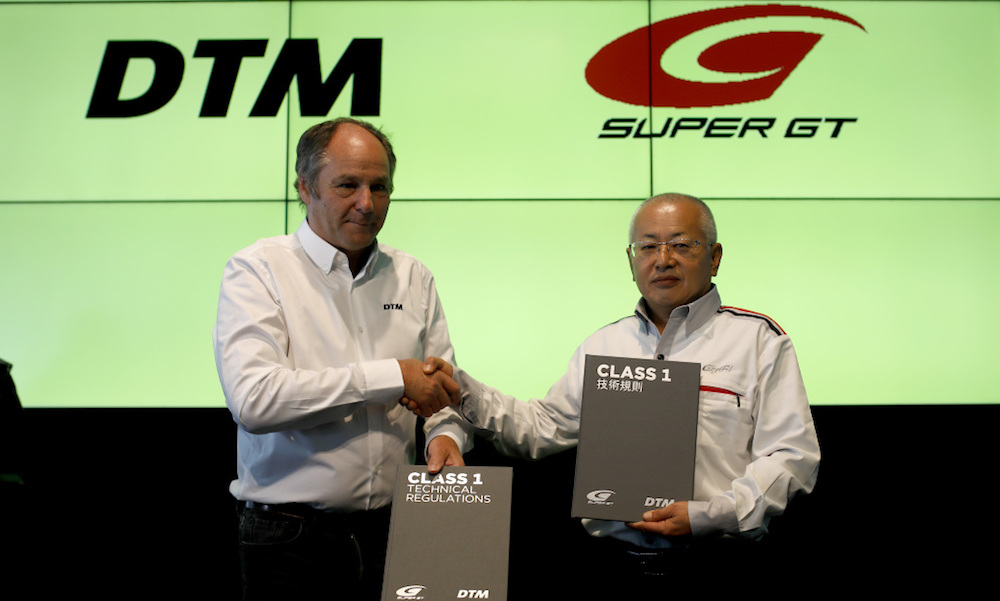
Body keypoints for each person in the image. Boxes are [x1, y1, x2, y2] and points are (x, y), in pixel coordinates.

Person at [422, 193, 820, 594]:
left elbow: (791, 457)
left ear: (714, 257)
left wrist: (710, 515)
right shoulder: (604, 346)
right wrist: (461, 388)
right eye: (647, 247)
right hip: (611, 571)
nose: (663, 259)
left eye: (681, 244)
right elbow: (541, 427)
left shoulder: (759, 340)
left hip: (718, 568)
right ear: (630, 261)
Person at [213, 118, 462, 600]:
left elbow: (442, 391)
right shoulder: (258, 270)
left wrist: (445, 435)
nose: (367, 203)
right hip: (290, 539)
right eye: (348, 185)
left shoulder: (413, 276)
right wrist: (393, 377)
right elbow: (255, 401)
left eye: (380, 187)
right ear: (304, 188)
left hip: (400, 526)